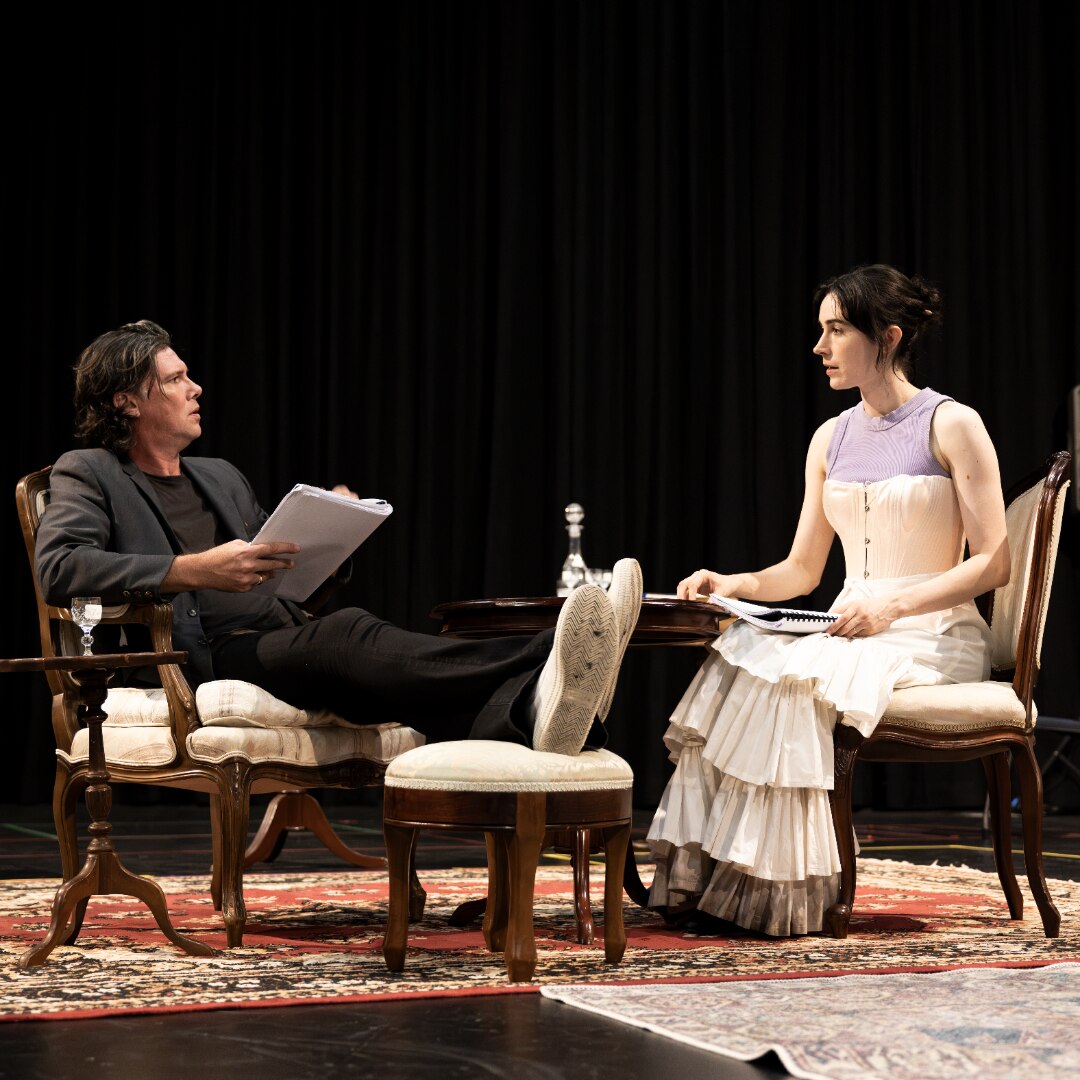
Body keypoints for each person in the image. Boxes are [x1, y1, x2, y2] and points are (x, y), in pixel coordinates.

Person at [35, 320, 643, 755]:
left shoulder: (218, 475)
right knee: (349, 633)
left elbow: (277, 570)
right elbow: (60, 567)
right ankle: (549, 656)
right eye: (176, 379)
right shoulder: (90, 471)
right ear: (126, 401)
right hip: (206, 654)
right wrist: (195, 570)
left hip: (281, 635)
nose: (196, 388)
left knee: (384, 678)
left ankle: (532, 709)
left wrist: (328, 535)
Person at [647, 264, 1009, 936]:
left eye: (837, 330)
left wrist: (892, 609)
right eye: (822, 330)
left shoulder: (953, 423)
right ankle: (722, 881)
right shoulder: (830, 438)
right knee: (739, 661)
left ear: (888, 336)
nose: (820, 347)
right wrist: (735, 584)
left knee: (796, 682)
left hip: (930, 632)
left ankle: (783, 892)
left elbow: (995, 561)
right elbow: (802, 569)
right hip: (848, 623)